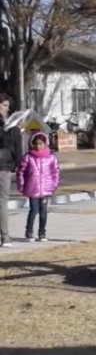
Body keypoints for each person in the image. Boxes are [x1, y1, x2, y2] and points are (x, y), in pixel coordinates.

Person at [16, 132, 60, 241]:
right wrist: (21, 185)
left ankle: (42, 233)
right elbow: (20, 172)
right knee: (33, 210)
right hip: (33, 188)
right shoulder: (28, 157)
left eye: (40, 144)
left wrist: (54, 185)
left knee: (43, 212)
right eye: (36, 144)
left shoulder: (51, 158)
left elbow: (55, 172)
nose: (38, 146)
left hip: (45, 189)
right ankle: (29, 232)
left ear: (45, 144)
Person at [0, 93, 23, 247]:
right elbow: (4, 142)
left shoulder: (10, 124)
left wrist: (18, 163)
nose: (6, 109)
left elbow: (17, 146)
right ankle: (5, 236)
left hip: (6, 165)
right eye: (4, 105)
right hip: (2, 164)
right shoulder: (5, 125)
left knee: (2, 199)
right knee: (2, 200)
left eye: (8, 106)